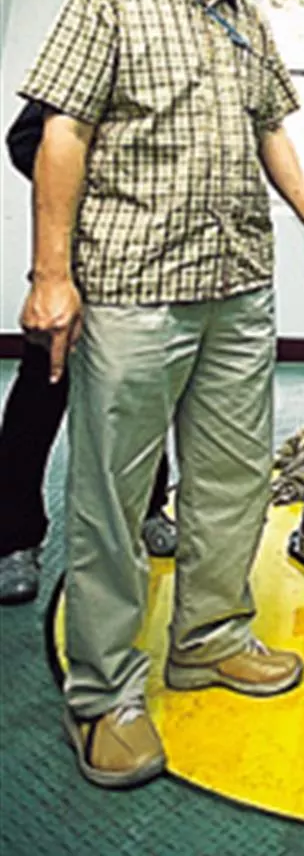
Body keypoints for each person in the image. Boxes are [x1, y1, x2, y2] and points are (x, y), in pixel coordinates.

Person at [17, 0, 304, 789]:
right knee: (114, 499)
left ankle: (209, 637)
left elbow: (270, 127)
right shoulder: (107, 2)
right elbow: (63, 132)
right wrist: (50, 274)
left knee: (232, 480)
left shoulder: (246, 16)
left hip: (236, 286)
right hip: (134, 286)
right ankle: (104, 693)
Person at [0, 105, 174, 608]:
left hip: (144, 277)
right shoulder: (85, 72)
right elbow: (24, 140)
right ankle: (13, 540)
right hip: (72, 272)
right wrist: (97, 179)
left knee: (143, 399)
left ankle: (148, 510)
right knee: (37, 405)